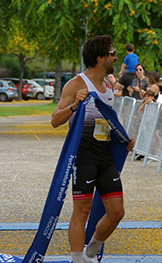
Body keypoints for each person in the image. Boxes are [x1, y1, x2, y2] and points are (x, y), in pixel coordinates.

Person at [51, 35, 135, 263]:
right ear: (100, 58)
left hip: (105, 157)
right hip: (84, 157)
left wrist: (123, 139)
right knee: (82, 212)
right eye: (112, 53)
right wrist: (74, 104)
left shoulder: (108, 86)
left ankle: (90, 253)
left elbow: (106, 121)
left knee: (117, 212)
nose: (116, 56)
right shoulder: (77, 83)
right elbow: (55, 120)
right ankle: (77, 260)